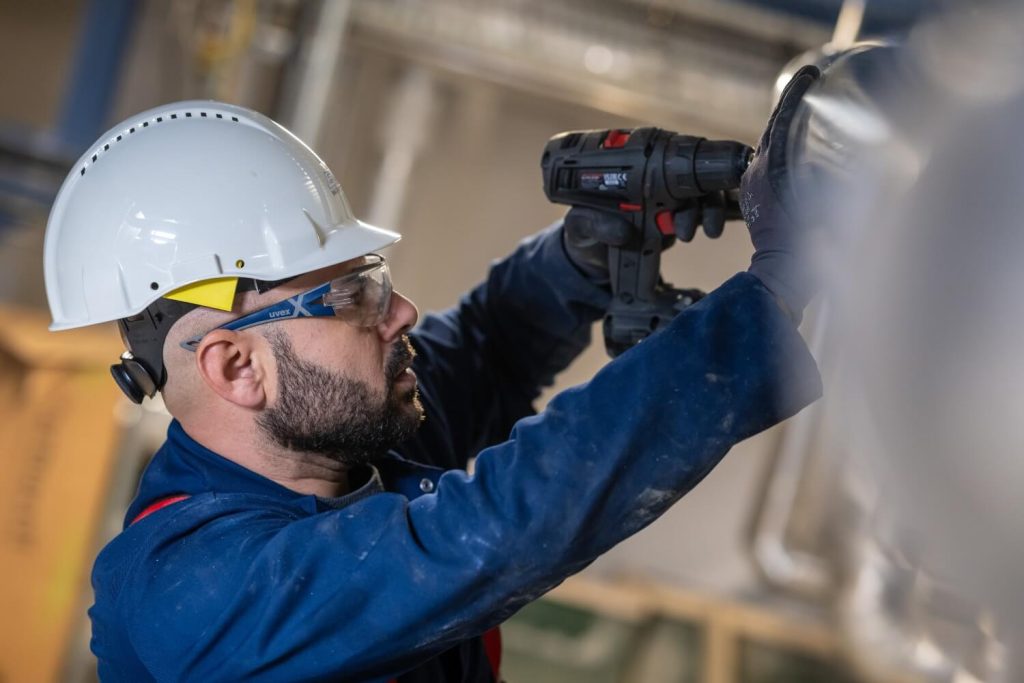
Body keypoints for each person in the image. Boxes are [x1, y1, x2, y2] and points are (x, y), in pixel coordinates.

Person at [43, 67, 822, 682]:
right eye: (354, 297)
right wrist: (774, 287)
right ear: (239, 366)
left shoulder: (348, 441)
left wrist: (578, 255)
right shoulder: (188, 595)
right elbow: (497, 526)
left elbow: (486, 343)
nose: (402, 310)